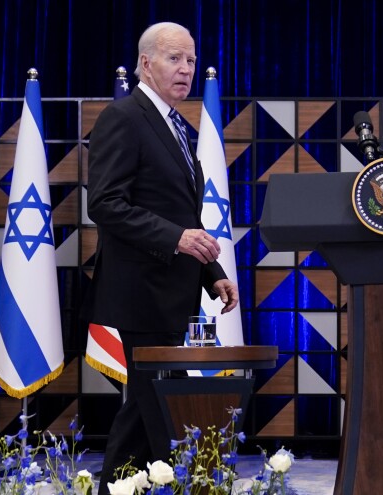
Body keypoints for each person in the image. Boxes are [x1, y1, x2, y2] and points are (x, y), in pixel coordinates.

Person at [83, 22, 239, 493]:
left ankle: (125, 486)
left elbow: (182, 214)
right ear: (146, 63)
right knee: (155, 405)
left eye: (191, 60)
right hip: (140, 294)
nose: (186, 69)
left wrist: (212, 272)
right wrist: (178, 239)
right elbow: (105, 204)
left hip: (172, 293)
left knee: (147, 407)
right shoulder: (123, 117)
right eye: (175, 58)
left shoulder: (176, 125)